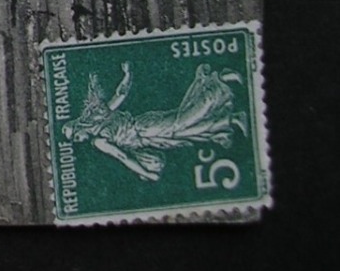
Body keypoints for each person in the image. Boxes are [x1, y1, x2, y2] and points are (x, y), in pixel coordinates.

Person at [63, 61, 249, 182]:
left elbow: (123, 157)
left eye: (75, 136)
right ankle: (231, 120)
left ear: (78, 127)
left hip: (144, 128)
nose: (78, 141)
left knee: (184, 121)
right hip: (148, 136)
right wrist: (127, 75)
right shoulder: (100, 121)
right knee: (187, 131)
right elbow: (120, 95)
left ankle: (218, 79)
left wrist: (147, 173)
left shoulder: (99, 140)